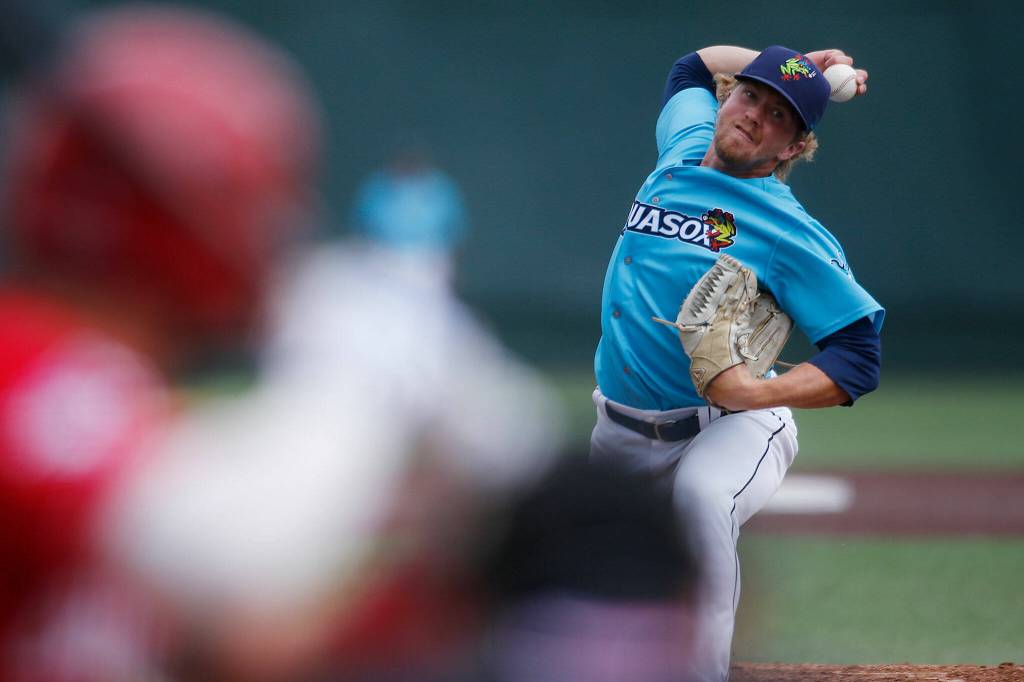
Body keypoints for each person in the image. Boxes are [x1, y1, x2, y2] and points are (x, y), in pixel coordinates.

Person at [0, 5, 323, 678]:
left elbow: (239, 645)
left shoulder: (134, 410)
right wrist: (356, 387)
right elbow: (226, 562)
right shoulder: (24, 364)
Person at [589, 45, 884, 680]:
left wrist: (751, 394)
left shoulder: (786, 228)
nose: (754, 115)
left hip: (730, 424)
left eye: (779, 116)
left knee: (701, 500)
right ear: (729, 97)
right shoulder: (685, 140)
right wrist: (794, 64)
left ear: (790, 150)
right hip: (616, 427)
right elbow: (689, 66)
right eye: (750, 95)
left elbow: (858, 357)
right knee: (589, 578)